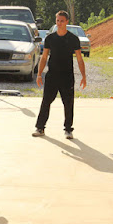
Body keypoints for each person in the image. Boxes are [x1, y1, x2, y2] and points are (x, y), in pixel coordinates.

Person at [33, 10, 87, 139]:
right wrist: (39, 74)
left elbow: (79, 59)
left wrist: (84, 76)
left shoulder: (73, 39)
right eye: (57, 20)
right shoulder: (50, 38)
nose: (59, 23)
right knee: (46, 101)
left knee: (68, 103)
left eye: (62, 21)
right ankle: (40, 128)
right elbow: (44, 57)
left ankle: (68, 129)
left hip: (67, 76)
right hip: (52, 76)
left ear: (67, 22)